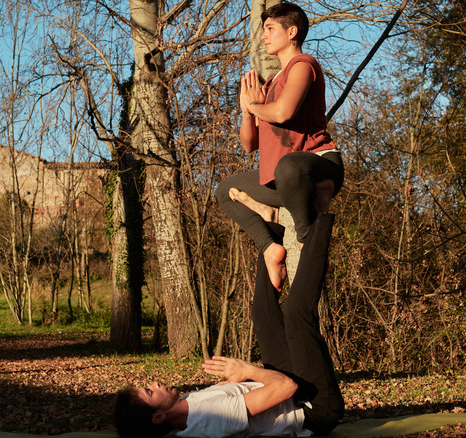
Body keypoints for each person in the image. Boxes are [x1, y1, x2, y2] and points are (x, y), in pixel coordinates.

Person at [113, 214, 344, 438]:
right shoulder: (212, 419)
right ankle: (316, 216)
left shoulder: (184, 407)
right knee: (296, 315)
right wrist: (247, 371)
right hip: (314, 408)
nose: (155, 383)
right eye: (150, 391)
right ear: (159, 417)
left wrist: (239, 381)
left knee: (262, 315)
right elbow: (286, 387)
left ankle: (270, 224)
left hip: (290, 393)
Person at [214, 2, 344, 293]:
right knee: (225, 192)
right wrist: (248, 111)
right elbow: (249, 144)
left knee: (288, 167)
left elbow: (283, 113)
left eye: (270, 29)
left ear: (292, 31)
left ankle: (306, 234)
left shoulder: (303, 65)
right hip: (285, 177)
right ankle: (271, 248)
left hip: (318, 163)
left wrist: (257, 106)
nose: (264, 36)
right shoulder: (271, 83)